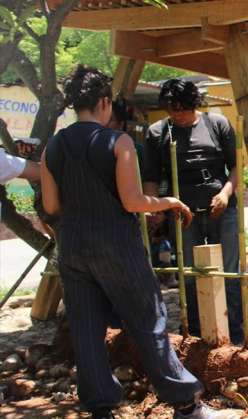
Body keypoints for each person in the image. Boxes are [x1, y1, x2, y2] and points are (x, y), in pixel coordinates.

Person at [40, 65, 220, 419]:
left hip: (73, 246)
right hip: (116, 244)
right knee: (147, 317)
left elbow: (50, 206)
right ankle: (185, 403)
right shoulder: (117, 142)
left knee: (86, 326)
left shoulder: (53, 147)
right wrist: (169, 202)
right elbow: (133, 202)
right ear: (105, 102)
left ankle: (101, 408)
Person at [142, 79, 243, 343]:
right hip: (181, 213)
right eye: (171, 110)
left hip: (222, 209)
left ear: (193, 104)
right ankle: (196, 331)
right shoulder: (157, 132)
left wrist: (225, 193)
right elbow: (150, 177)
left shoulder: (217, 124)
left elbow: (236, 168)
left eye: (182, 109)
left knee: (229, 271)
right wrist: (155, 208)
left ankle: (234, 328)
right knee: (188, 271)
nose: (177, 115)